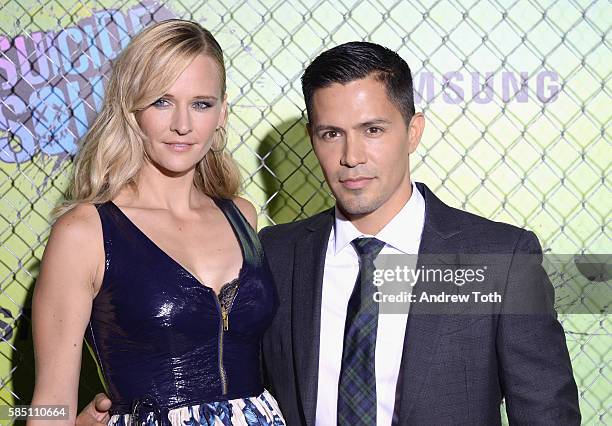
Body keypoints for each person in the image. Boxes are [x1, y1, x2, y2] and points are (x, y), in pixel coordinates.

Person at [78, 42, 581, 425]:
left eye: (374, 130)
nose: (352, 157)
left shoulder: (497, 257)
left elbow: (547, 413)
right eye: (331, 133)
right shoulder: (273, 255)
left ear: (415, 131)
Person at [30, 20, 284, 426]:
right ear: (131, 109)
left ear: (222, 113)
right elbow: (49, 405)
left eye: (201, 103)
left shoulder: (242, 215)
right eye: (162, 102)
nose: (182, 124)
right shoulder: (86, 232)